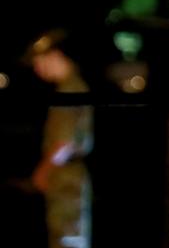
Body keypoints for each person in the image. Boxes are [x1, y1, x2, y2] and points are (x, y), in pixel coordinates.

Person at [26, 29, 93, 248]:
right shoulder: (71, 86)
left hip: (66, 178)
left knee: (67, 238)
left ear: (55, 56)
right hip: (67, 176)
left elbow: (65, 141)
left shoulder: (70, 89)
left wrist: (43, 171)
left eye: (39, 62)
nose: (37, 69)